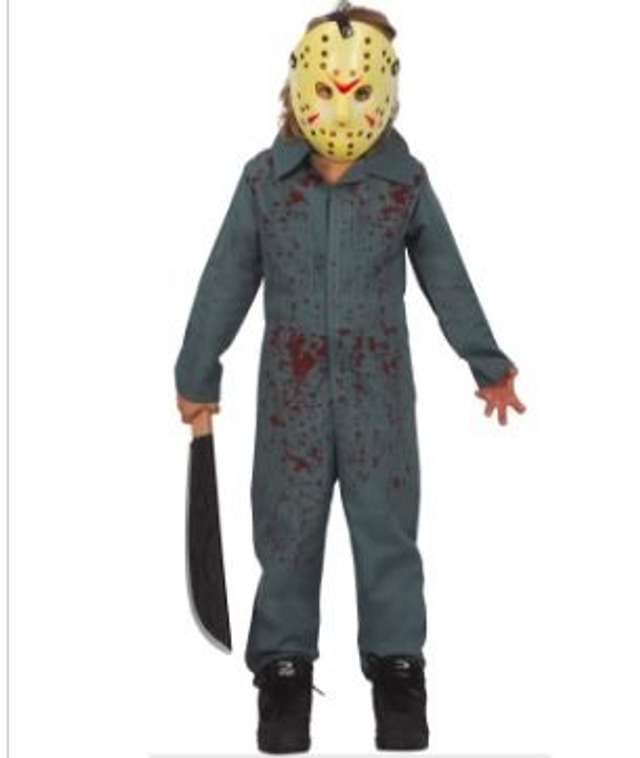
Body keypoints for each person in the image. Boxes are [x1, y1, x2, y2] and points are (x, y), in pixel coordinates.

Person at [175, 2, 526, 753]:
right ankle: (283, 670)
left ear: (385, 90)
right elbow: (225, 279)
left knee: (387, 531)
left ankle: (398, 670)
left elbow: (446, 277)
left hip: (379, 398)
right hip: (291, 400)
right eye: (328, 89)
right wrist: (197, 370)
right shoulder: (266, 183)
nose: (343, 106)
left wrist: (486, 362)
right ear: (301, 85)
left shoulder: (404, 184)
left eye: (360, 89)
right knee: (287, 530)